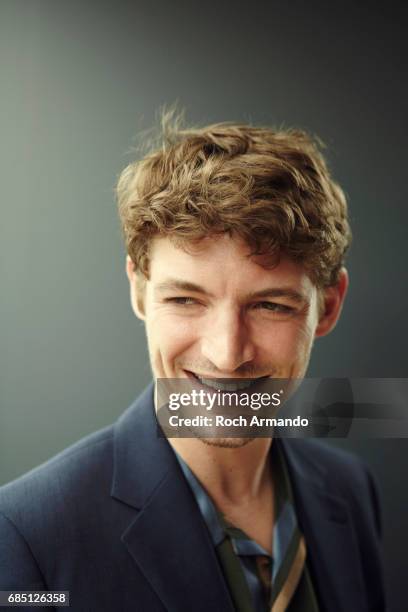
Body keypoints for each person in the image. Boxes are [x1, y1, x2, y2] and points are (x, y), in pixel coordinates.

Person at [0, 117, 386, 611]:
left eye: (270, 305)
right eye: (185, 300)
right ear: (139, 290)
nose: (227, 354)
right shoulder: (27, 538)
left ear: (329, 306)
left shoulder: (351, 491)